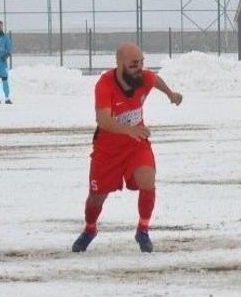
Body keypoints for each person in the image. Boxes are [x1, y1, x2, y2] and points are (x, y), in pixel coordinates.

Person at [73, 43, 183, 254]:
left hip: (136, 145)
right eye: (134, 64)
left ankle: (143, 230)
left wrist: (171, 94)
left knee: (148, 180)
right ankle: (90, 229)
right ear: (119, 63)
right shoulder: (105, 84)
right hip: (107, 150)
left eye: (142, 62)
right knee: (96, 197)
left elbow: (155, 79)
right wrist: (127, 130)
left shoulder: (144, 77)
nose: (139, 67)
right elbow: (103, 119)